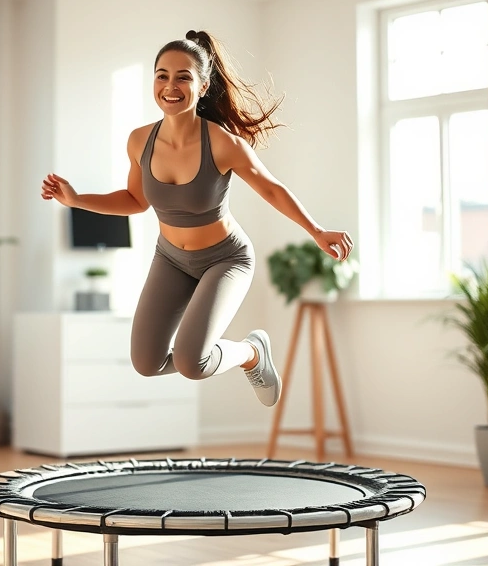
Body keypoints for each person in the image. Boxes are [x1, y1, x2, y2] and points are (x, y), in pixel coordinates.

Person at [41, 30, 353, 407]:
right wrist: (76, 199)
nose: (170, 86)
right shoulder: (140, 140)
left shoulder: (222, 143)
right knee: (146, 362)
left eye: (183, 77)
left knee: (191, 362)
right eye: (162, 75)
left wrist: (316, 231)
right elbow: (135, 200)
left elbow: (271, 189)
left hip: (225, 259)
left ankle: (251, 352)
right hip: (171, 257)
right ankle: (247, 352)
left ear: (203, 86)